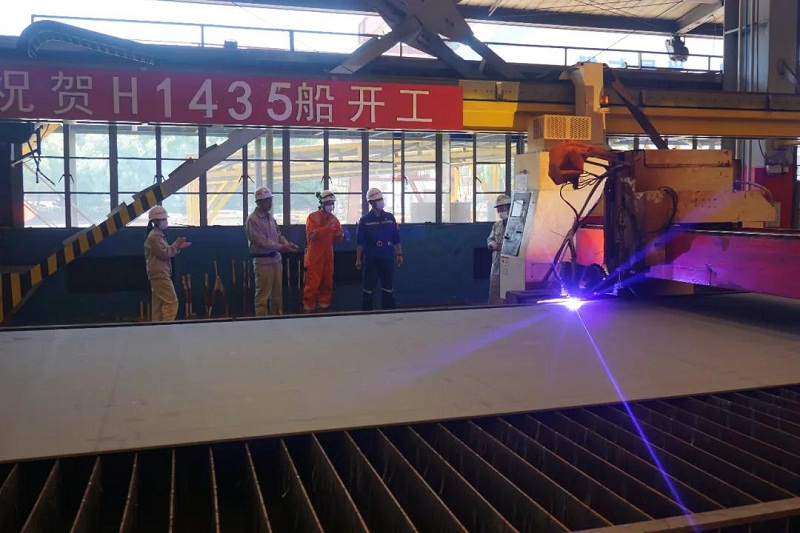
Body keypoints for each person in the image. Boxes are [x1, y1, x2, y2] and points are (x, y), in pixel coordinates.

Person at [245, 187, 299, 316]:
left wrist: (286, 243)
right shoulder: (252, 220)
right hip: (263, 262)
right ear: (259, 202)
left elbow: (278, 235)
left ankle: (276, 321)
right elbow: (261, 241)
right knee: (262, 297)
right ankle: (262, 323)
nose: (270, 203)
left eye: (270, 200)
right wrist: (281, 247)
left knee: (277, 296)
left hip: (276, 260)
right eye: (267, 200)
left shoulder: (270, 218)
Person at [356, 187, 402, 311]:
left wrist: (399, 254)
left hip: (387, 256)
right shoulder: (365, 220)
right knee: (368, 289)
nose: (380, 202)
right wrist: (358, 260)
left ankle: (389, 314)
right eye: (377, 200)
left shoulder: (390, 217)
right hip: (371, 258)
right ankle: (366, 315)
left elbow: (396, 238)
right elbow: (360, 242)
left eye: (381, 199)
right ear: (371, 203)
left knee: (388, 288)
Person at [144, 206, 191, 321]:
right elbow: (164, 254)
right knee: (172, 302)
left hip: (157, 274)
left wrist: (177, 247)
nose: (165, 221)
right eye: (163, 219)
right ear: (155, 221)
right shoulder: (155, 236)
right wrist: (176, 245)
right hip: (160, 274)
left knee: (159, 304)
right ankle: (166, 326)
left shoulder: (157, 235)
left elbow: (165, 251)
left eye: (165, 219)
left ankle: (157, 328)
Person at [303, 190, 345, 313]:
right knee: (312, 283)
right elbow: (311, 235)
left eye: (332, 203)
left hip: (328, 256)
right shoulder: (312, 217)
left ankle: (324, 307)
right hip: (314, 256)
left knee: (327, 282)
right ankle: (308, 309)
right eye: (328, 203)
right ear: (322, 203)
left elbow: (338, 237)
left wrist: (340, 235)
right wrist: (327, 228)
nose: (330, 206)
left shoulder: (334, 219)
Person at [487, 194, 511, 305]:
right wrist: (493, 245)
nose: (500, 211)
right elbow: (490, 239)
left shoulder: (516, 225)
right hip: (496, 265)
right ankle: (492, 313)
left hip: (510, 265)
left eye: (502, 208)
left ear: (509, 207)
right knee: (494, 292)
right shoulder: (497, 225)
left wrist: (503, 247)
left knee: (509, 292)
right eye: (498, 209)